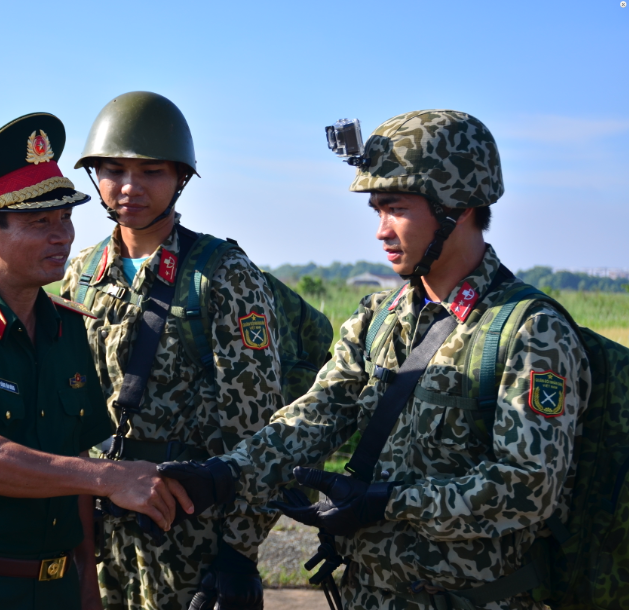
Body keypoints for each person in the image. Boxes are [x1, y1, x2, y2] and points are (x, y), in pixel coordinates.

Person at [159, 110, 590, 610]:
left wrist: (387, 504)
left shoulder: (529, 331)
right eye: (376, 210)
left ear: (460, 206)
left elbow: (527, 487)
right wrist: (225, 472)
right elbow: (317, 416)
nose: (382, 231)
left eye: (396, 209)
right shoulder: (379, 318)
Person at [0, 112, 192, 610]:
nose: (63, 237)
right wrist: (109, 477)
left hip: (54, 586)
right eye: (39, 224)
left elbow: (72, 462)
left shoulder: (67, 325)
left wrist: (87, 588)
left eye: (66, 218)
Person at [60, 91, 285, 610]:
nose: (130, 187)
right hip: (101, 523)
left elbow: (256, 424)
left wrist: (238, 550)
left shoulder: (223, 274)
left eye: (152, 171)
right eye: (113, 170)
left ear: (180, 177)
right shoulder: (82, 273)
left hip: (189, 531)